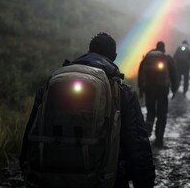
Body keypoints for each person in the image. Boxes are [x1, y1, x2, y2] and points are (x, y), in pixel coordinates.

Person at [20, 32, 155, 188]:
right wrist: (145, 182)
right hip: (101, 179)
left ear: (89, 51)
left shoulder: (52, 82)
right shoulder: (121, 91)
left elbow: (32, 129)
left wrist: (26, 167)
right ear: (114, 56)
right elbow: (137, 145)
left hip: (49, 176)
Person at [138, 41, 178, 147]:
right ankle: (159, 137)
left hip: (149, 89)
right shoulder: (166, 58)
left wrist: (141, 90)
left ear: (156, 47)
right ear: (163, 48)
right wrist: (174, 89)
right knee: (162, 113)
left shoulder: (148, 57)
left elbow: (140, 72)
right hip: (162, 89)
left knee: (150, 112)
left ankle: (146, 134)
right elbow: (174, 74)